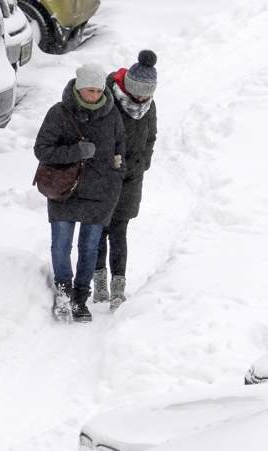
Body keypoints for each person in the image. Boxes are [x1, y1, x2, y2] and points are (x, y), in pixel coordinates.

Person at [34, 64, 126, 323]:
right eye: (89, 90)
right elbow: (42, 150)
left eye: (98, 90)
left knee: (89, 249)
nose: (94, 95)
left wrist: (115, 185)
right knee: (61, 246)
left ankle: (80, 299)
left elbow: (121, 153)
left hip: (99, 195)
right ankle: (64, 291)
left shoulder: (112, 116)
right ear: (78, 87)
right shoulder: (59, 113)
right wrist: (77, 151)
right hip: (64, 191)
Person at [93, 50, 159, 311]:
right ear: (129, 85)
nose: (142, 97)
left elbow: (151, 136)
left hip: (131, 179)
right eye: (139, 91)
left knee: (119, 231)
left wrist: (142, 163)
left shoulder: (149, 105)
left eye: (147, 92)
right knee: (98, 230)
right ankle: (99, 284)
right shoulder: (109, 99)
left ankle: (118, 288)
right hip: (103, 176)